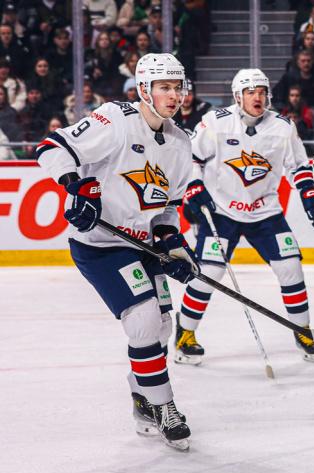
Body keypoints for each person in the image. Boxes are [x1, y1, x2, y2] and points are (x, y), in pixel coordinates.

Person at [34, 53, 195, 450]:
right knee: (143, 321)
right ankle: (164, 406)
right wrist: (76, 186)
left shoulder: (180, 141)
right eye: (164, 87)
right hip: (101, 246)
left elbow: (168, 208)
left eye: (177, 87)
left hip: (142, 246)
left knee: (162, 326)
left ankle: (143, 400)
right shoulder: (115, 119)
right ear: (144, 89)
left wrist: (173, 245)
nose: (173, 95)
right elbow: (51, 147)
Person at [175, 68, 314, 365]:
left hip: (265, 212)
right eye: (250, 92)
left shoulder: (283, 127)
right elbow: (191, 156)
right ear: (237, 96)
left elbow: (298, 166)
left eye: (261, 92)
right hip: (221, 211)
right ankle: (185, 334)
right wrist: (194, 185)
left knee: (291, 268)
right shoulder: (216, 122)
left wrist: (309, 194)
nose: (257, 97)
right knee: (209, 273)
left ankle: (303, 331)